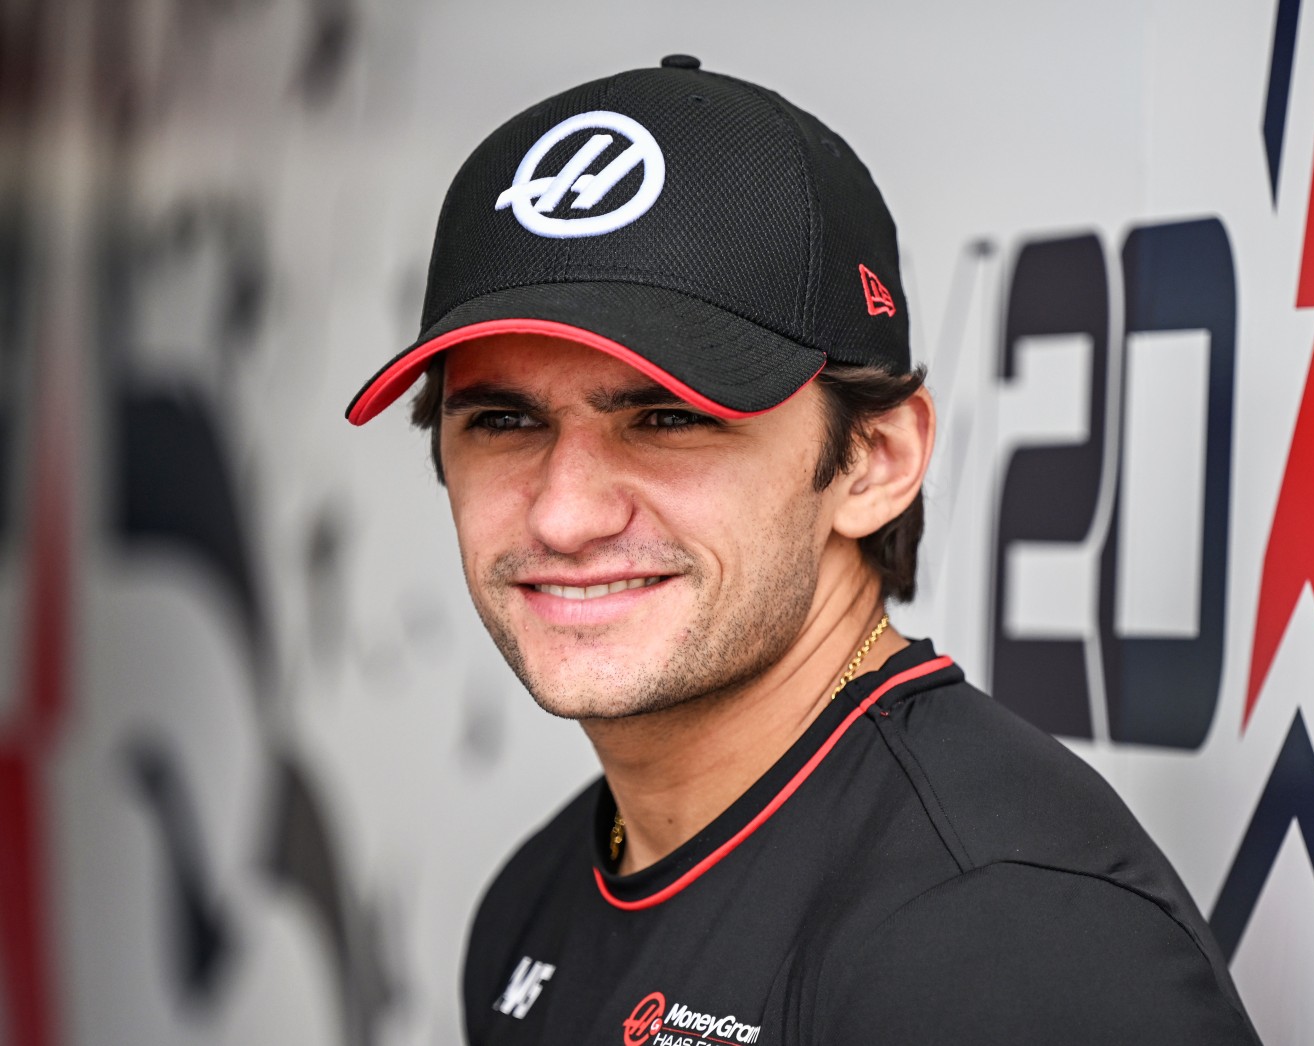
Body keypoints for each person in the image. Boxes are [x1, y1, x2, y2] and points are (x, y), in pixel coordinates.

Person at [346, 55, 1260, 1045]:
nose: (564, 515)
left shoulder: (1000, 938)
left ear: (873, 458)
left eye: (666, 418)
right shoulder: (535, 898)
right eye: (505, 421)